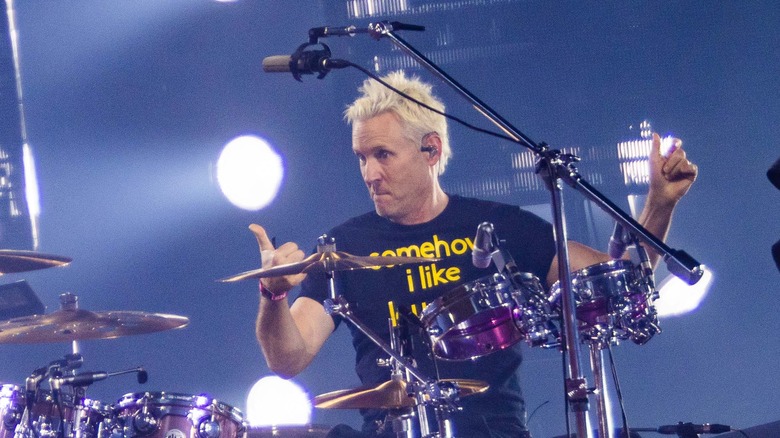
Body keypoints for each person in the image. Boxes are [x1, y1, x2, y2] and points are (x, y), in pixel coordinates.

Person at [251, 71, 698, 437]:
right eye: (361, 158)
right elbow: (288, 359)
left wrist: (660, 204)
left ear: (431, 149)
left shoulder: (503, 227)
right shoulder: (343, 245)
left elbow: (620, 283)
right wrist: (272, 297)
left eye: (383, 155)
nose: (369, 173)